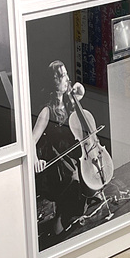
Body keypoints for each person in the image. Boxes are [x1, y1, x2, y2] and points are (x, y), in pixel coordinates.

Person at [31, 60, 89, 245]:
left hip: (71, 155)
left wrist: (79, 90)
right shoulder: (47, 111)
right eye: (62, 76)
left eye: (66, 74)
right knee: (74, 179)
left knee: (83, 180)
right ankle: (58, 227)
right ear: (53, 81)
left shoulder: (69, 102)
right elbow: (31, 140)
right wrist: (36, 160)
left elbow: (79, 94)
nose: (67, 79)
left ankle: (66, 218)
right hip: (56, 160)